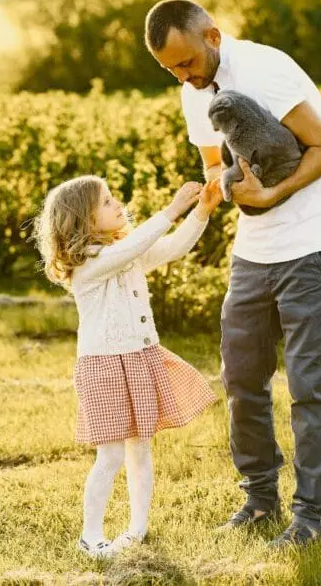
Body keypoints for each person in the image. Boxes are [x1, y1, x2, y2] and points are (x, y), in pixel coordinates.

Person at [144, 0, 321, 547]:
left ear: (213, 36)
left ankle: (312, 516)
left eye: (188, 63)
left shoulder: (266, 69)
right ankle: (260, 501)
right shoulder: (193, 93)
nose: (185, 77)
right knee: (241, 378)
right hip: (255, 249)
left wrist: (271, 192)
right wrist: (212, 192)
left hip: (314, 241)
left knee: (311, 385)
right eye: (171, 70)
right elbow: (215, 164)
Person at [33, 175, 223, 558]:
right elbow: (137, 244)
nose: (117, 204)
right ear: (82, 221)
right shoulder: (88, 263)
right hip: (103, 366)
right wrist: (171, 209)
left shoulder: (124, 249)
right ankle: (91, 536)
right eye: (106, 202)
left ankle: (137, 528)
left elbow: (170, 248)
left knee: (141, 448)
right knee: (112, 455)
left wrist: (202, 211)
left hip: (139, 357)